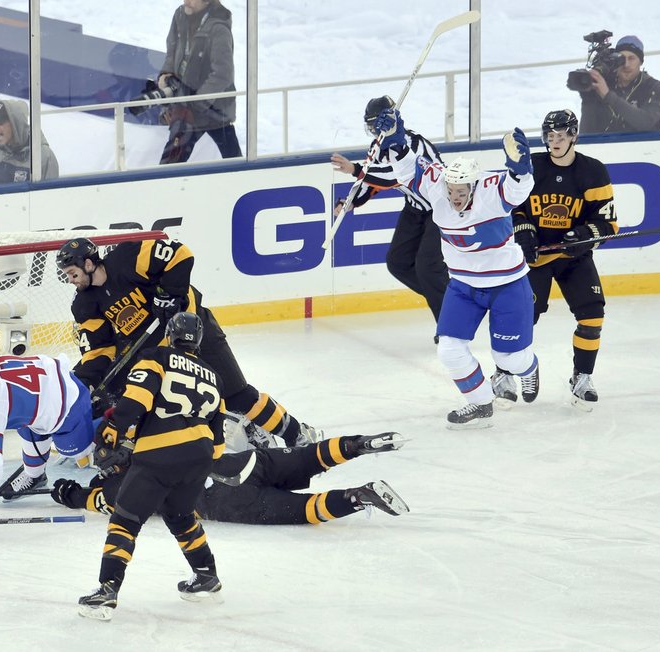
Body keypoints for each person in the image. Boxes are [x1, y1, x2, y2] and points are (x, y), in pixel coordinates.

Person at [56, 236, 321, 447]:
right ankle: (240, 427)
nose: (71, 280)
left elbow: (180, 254)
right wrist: (83, 382)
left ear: (88, 264)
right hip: (162, 353)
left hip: (196, 330)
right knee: (147, 400)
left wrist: (169, 294)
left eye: (72, 273)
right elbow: (99, 348)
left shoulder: (126, 258)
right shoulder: (85, 303)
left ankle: (296, 433)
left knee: (238, 394)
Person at [373, 108, 540, 429]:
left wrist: (521, 169)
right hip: (463, 286)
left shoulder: (492, 190)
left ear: (475, 187)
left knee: (509, 359)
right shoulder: (440, 187)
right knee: (449, 350)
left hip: (507, 284)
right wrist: (396, 142)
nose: (454, 198)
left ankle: (529, 368)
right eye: (451, 192)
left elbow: (518, 188)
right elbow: (409, 171)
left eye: (461, 193)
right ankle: (480, 403)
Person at [76, 312, 226, 620]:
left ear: (171, 335)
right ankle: (207, 576)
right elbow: (220, 440)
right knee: (181, 515)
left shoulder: (157, 356)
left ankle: (107, 592)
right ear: (197, 341)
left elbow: (138, 400)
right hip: (201, 455)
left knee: (125, 520)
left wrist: (113, 427)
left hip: (160, 453)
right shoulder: (215, 376)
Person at [52, 429, 409, 526]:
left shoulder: (121, 486)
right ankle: (360, 444)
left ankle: (358, 496)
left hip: (228, 500)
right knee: (307, 458)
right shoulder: (154, 437)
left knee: (306, 510)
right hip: (244, 461)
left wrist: (70, 493)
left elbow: (97, 501)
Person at [509, 109, 618, 411]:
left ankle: (582, 377)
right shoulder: (532, 167)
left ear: (574, 136)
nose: (554, 141)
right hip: (536, 259)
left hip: (575, 259)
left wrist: (582, 234)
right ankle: (504, 372)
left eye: (561, 135)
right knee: (518, 318)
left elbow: (609, 224)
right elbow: (512, 207)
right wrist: (525, 232)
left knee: (592, 316)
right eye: (549, 136)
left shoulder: (593, 171)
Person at [0, 351, 96, 536]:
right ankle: (34, 476)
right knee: (25, 424)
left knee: (80, 452)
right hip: (51, 382)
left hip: (69, 405)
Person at [331, 95, 448, 330]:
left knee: (427, 267)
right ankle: (451, 301)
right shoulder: (378, 146)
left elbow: (392, 176)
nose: (374, 131)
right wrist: (352, 201)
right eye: (370, 126)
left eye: (376, 124)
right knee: (398, 262)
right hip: (415, 209)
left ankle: (449, 324)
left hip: (440, 209)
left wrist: (354, 169)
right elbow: (371, 180)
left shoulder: (416, 146)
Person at [156, 0, 242, 164]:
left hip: (214, 110)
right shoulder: (179, 16)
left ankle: (247, 187)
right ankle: (165, 190)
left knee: (234, 162)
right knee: (171, 163)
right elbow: (172, 51)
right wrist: (166, 74)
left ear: (206, 0)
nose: (186, 1)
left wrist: (196, 104)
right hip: (187, 105)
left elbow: (222, 74)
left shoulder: (218, 29)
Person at [575, 35, 660, 134]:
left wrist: (608, 96)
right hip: (605, 147)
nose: (626, 64)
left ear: (640, 62)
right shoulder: (603, 84)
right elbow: (586, 135)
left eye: (631, 58)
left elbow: (646, 122)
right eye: (622, 59)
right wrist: (587, 101)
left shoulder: (655, 87)